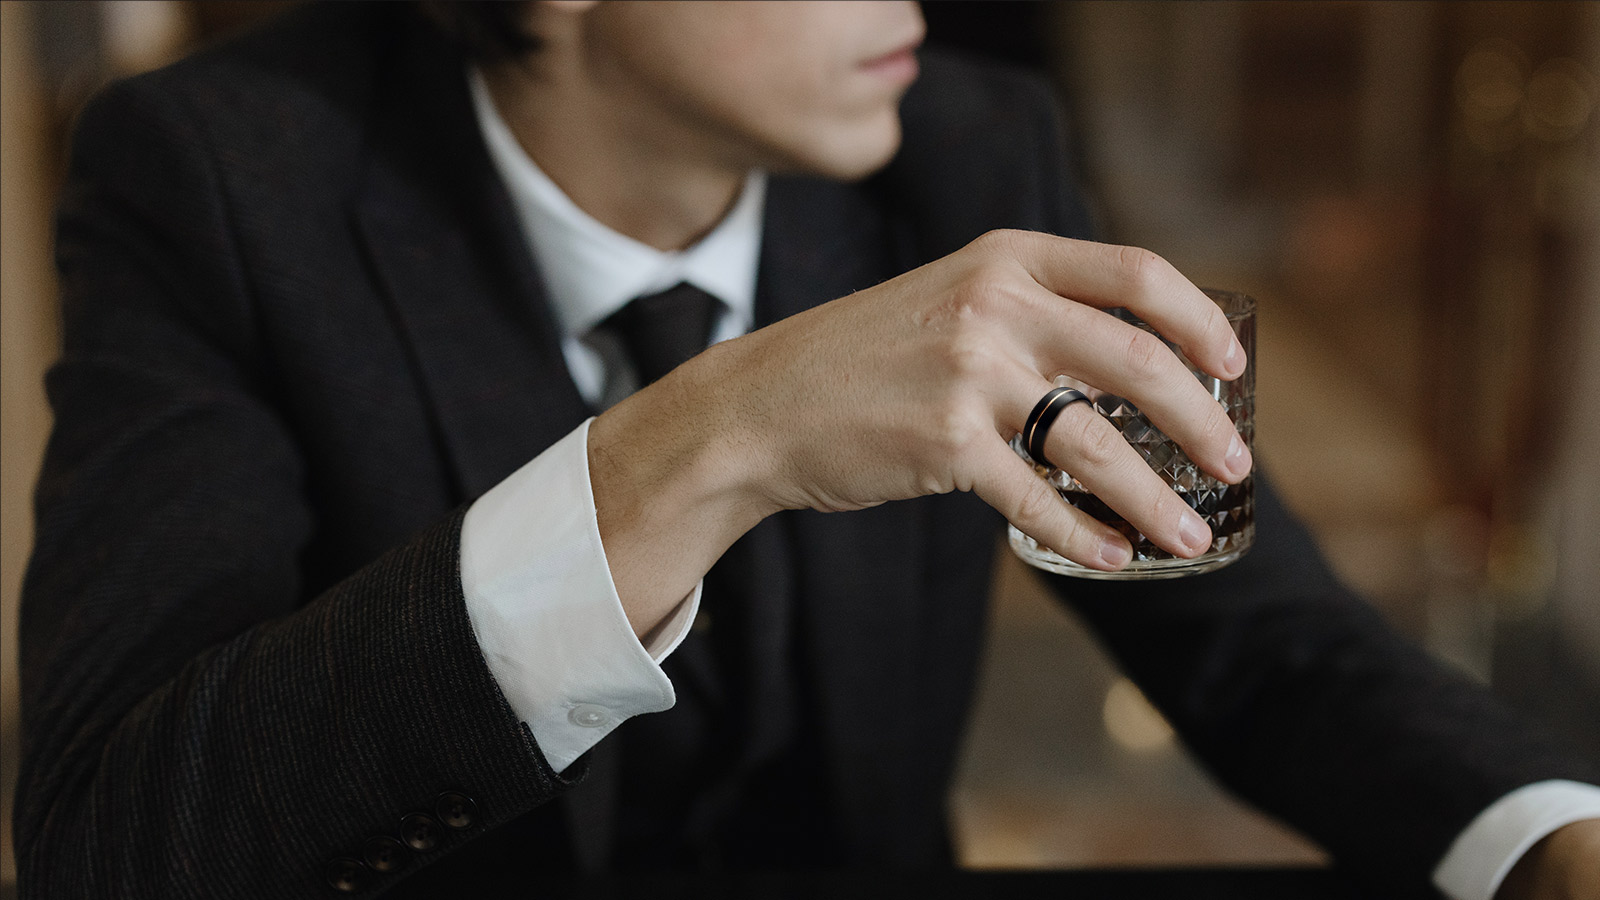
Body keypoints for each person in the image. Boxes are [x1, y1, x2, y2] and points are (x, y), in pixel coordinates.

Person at [15, 2, 1599, 898]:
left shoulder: (977, 143)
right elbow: (110, 843)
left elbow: (1263, 637)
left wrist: (1547, 838)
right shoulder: (220, 179)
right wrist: (725, 428)